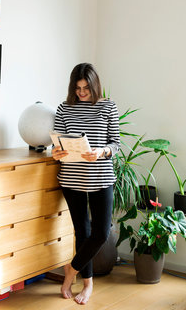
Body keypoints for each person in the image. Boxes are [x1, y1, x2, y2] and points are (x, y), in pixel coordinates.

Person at [51, 63, 120, 305]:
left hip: (101, 178)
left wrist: (101, 151)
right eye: (78, 88)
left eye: (86, 88)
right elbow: (57, 142)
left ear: (95, 85)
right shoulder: (64, 108)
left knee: (100, 232)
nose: (81, 92)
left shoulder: (108, 106)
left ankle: (71, 269)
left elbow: (116, 144)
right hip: (71, 178)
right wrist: (56, 153)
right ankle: (87, 284)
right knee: (82, 232)